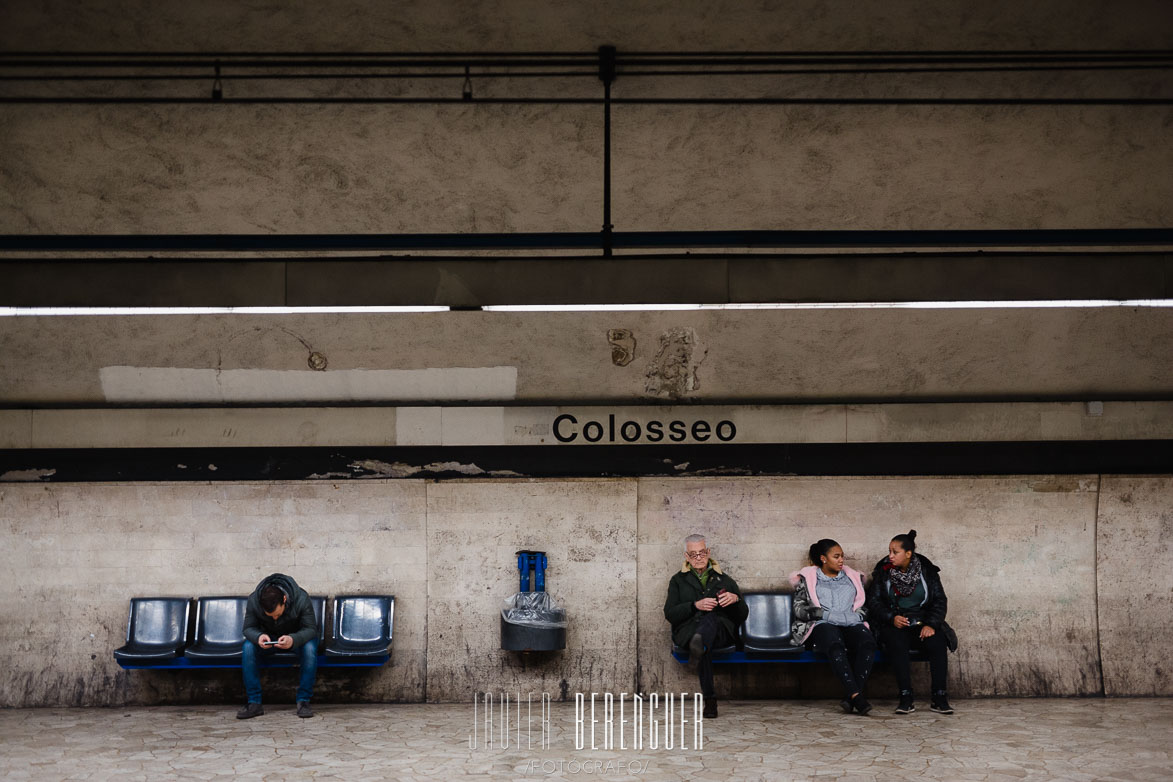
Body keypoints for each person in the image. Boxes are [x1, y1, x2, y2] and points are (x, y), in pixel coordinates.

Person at [867, 530, 955, 715]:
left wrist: (931, 624)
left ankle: (939, 697)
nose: (890, 556)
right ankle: (906, 697)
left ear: (908, 553)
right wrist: (891, 617)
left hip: (923, 622)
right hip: (896, 623)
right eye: (889, 551)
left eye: (895, 552)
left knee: (938, 642)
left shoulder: (927, 571)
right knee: (896, 643)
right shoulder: (883, 572)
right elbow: (874, 602)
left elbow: (939, 600)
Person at [664, 534, 748, 719]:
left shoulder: (724, 579)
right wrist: (695, 605)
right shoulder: (677, 581)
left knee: (711, 621)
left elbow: (742, 615)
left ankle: (699, 645)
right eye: (693, 555)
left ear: (708, 553)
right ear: (686, 557)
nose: (699, 558)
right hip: (689, 631)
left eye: (702, 553)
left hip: (720, 632)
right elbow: (670, 614)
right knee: (704, 645)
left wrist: (735, 600)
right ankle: (709, 699)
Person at [790, 539, 876, 715]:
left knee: (868, 643)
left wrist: (858, 616)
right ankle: (856, 695)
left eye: (842, 556)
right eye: (836, 556)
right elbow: (798, 609)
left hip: (851, 622)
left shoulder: (853, 578)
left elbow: (864, 606)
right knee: (834, 644)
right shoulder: (808, 579)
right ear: (823, 558)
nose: (841, 560)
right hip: (823, 623)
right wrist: (824, 615)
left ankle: (851, 696)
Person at [236, 572, 319, 719]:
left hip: (296, 639)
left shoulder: (301, 598)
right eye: (270, 616)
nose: (275, 618)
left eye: (277, 614)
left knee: (310, 648)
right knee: (248, 647)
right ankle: (254, 703)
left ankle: (304, 701)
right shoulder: (254, 600)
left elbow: (311, 629)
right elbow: (248, 629)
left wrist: (293, 639)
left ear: (285, 599)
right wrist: (259, 637)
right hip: (269, 640)